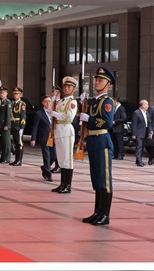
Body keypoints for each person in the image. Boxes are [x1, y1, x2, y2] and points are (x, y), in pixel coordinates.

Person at [79, 67, 116, 226]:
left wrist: (90, 119)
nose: (96, 82)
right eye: (96, 79)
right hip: (93, 141)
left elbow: (107, 123)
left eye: (100, 80)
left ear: (108, 84)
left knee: (104, 179)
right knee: (96, 178)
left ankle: (105, 214)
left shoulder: (107, 102)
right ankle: (97, 212)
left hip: (102, 140)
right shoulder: (95, 102)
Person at [50, 77, 79, 193]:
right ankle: (62, 184)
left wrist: (56, 114)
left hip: (66, 130)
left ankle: (68, 185)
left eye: (69, 87)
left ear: (73, 89)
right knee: (61, 159)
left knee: (67, 159)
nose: (66, 88)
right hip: (59, 130)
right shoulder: (61, 101)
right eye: (65, 86)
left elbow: (69, 117)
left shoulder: (72, 102)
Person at [30, 95, 54, 182]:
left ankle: (45, 166)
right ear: (43, 103)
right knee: (46, 155)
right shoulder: (39, 113)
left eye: (50, 101)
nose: (48, 103)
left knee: (54, 155)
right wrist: (33, 139)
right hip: (44, 137)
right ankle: (48, 174)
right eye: (46, 101)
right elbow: (35, 127)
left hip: (53, 137)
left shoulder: (54, 112)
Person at [9, 87, 27, 166]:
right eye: (14, 94)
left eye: (17, 94)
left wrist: (22, 128)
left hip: (18, 124)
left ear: (20, 95)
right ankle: (16, 160)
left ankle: (19, 160)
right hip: (12, 124)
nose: (15, 95)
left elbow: (23, 116)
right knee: (15, 143)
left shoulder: (22, 104)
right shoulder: (12, 103)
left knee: (19, 143)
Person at [131, 100, 151, 167]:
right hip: (138, 133)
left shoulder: (147, 113)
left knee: (142, 147)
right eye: (146, 104)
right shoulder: (136, 113)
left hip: (145, 133)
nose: (148, 106)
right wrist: (133, 134)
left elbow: (148, 123)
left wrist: (150, 131)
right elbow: (134, 124)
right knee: (139, 147)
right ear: (142, 105)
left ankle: (139, 160)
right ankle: (139, 161)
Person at [0, 87, 12, 164]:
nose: (1, 94)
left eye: (3, 93)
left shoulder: (7, 102)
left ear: (6, 94)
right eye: (0, 93)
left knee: (6, 142)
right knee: (1, 142)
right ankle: (2, 158)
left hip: (5, 125)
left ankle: (7, 158)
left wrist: (7, 125)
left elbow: (8, 115)